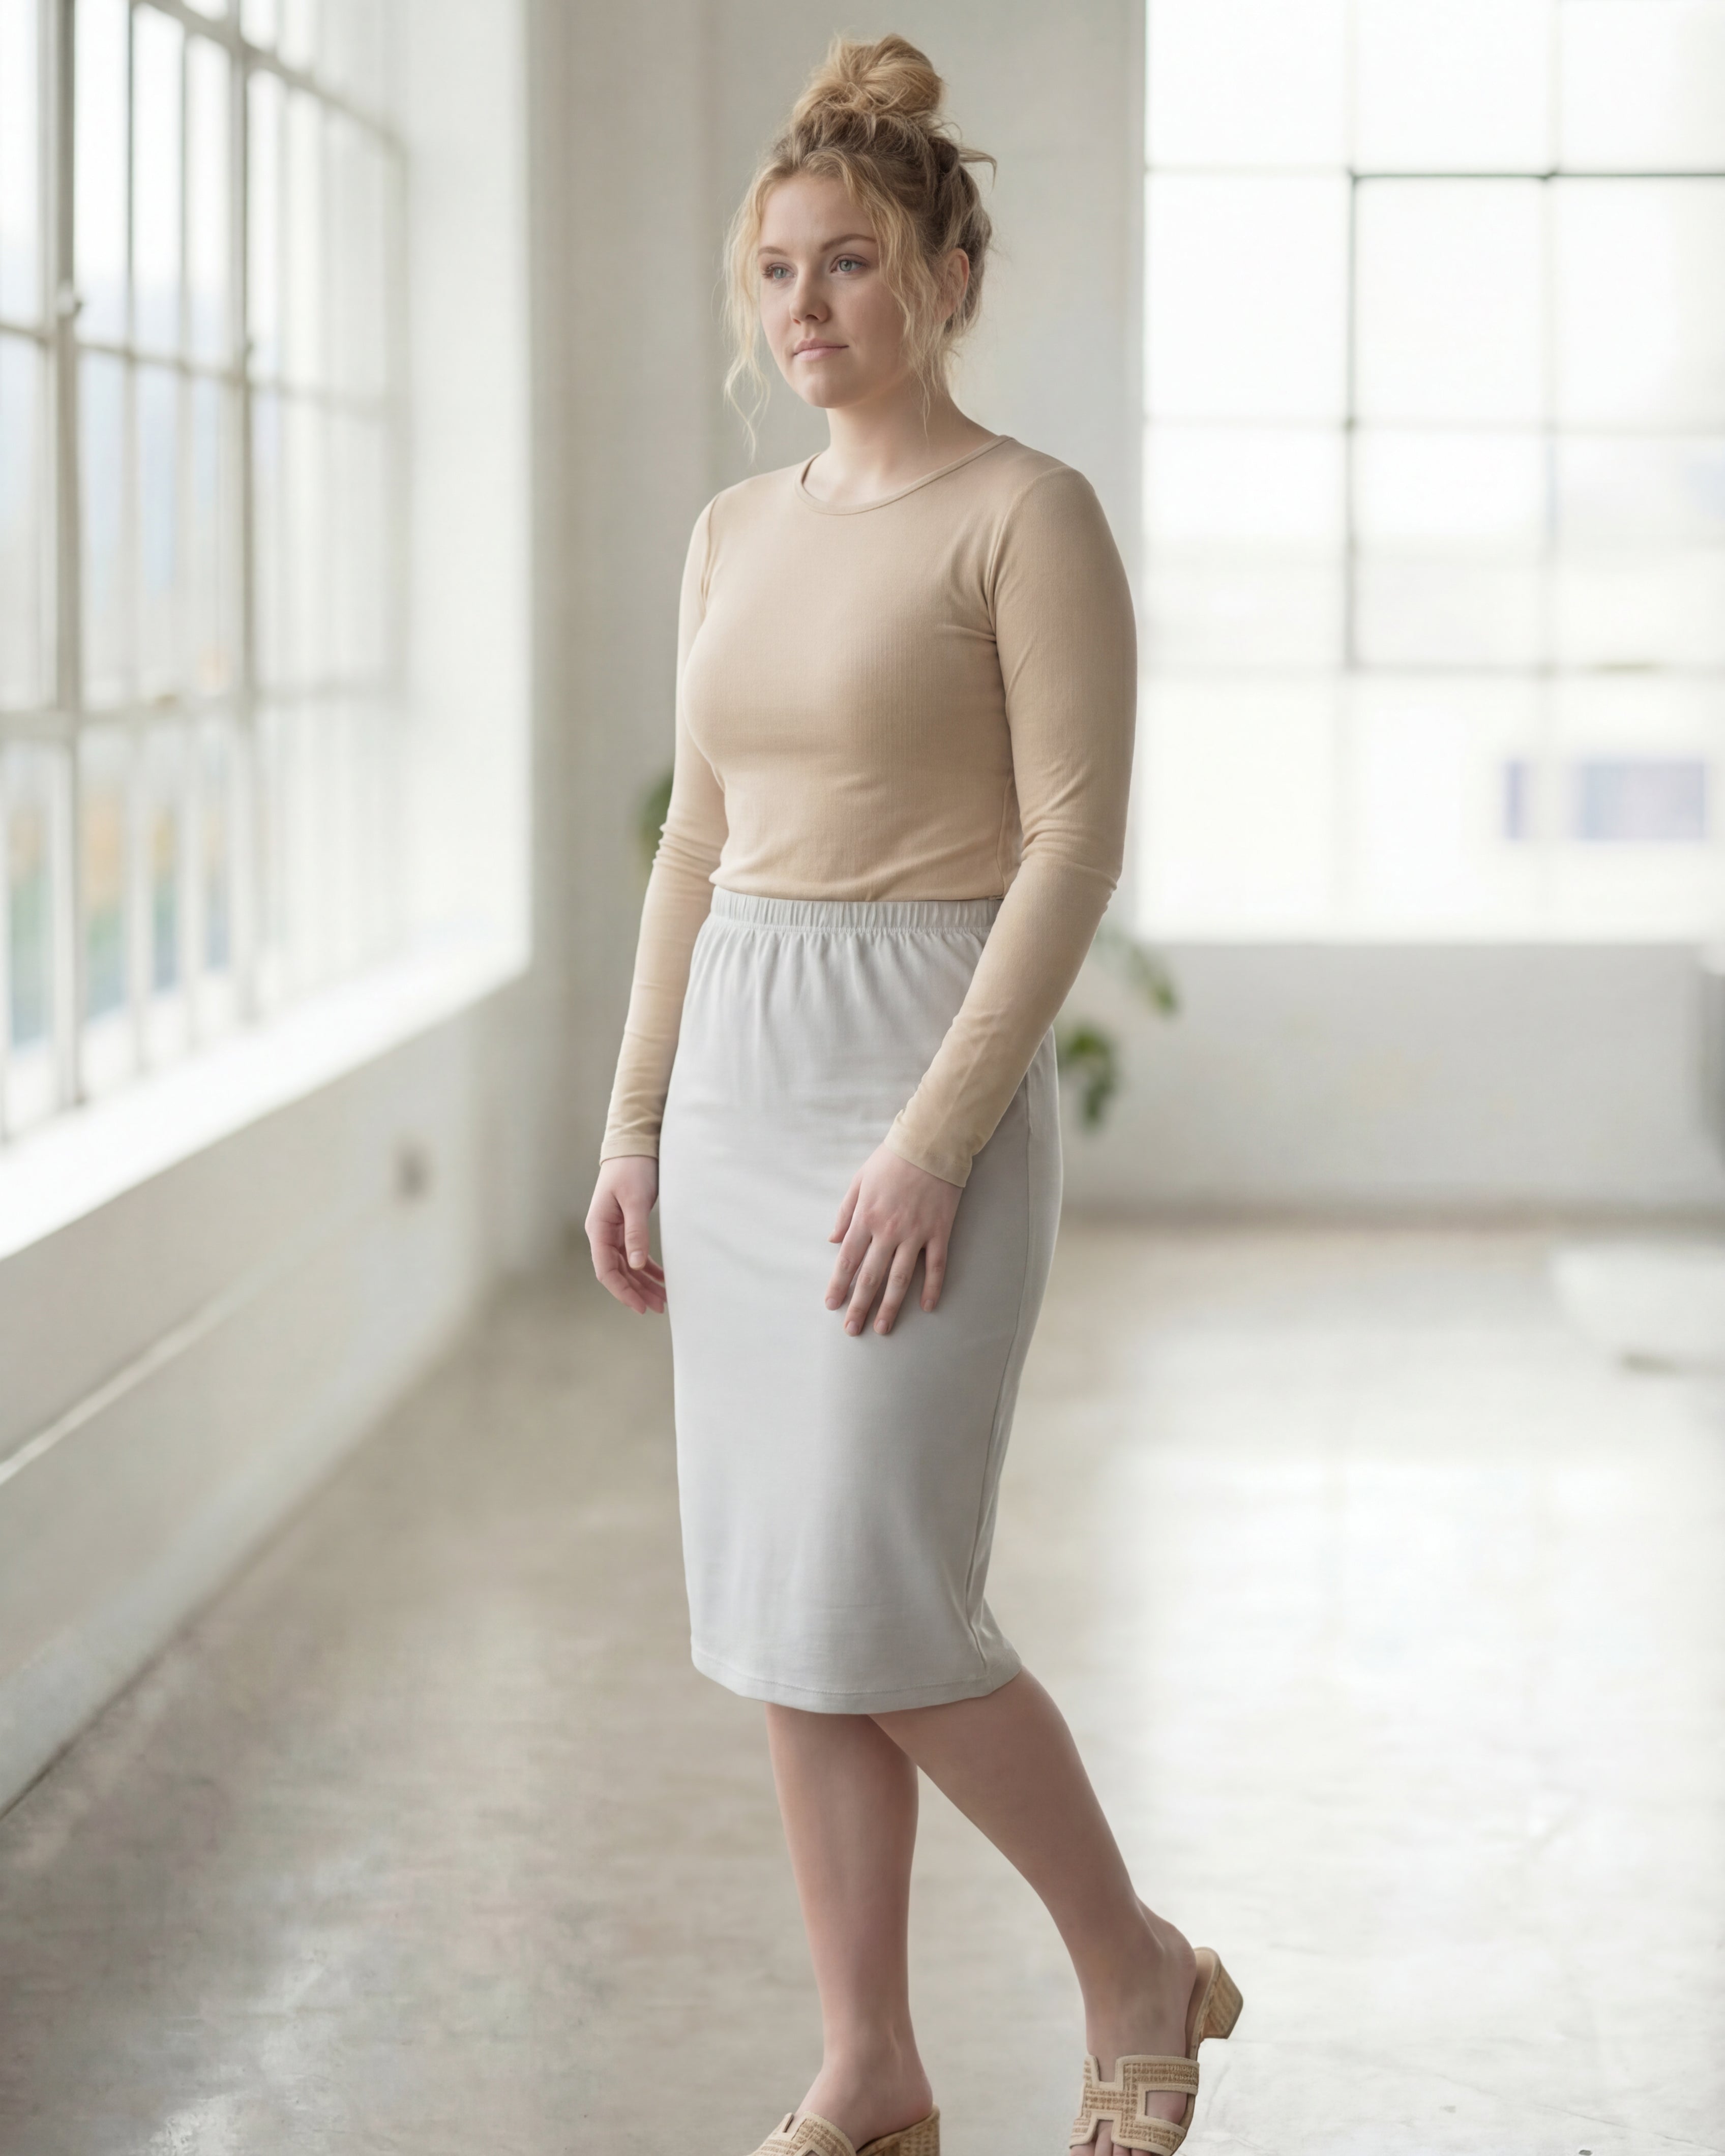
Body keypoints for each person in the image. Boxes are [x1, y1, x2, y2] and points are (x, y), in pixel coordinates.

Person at [585, 34, 1239, 2156]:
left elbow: (1068, 849)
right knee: (788, 1602)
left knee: (883, 1588)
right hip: (739, 1078)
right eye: (774, 269)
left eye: (849, 262)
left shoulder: (1025, 517)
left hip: (916, 1067)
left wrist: (932, 1137)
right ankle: (867, 2060)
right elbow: (693, 841)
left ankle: (1127, 1959)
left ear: (948, 269)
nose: (803, 305)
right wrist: (630, 1122)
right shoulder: (721, 534)